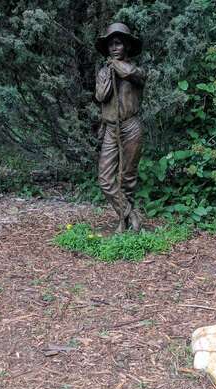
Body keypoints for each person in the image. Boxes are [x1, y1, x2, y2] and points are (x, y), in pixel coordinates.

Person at [95, 23, 146, 233]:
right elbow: (101, 96)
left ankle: (122, 222)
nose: (115, 48)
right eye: (111, 44)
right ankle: (129, 213)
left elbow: (134, 75)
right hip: (110, 128)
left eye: (119, 43)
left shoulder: (136, 71)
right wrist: (109, 74)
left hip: (130, 126)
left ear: (126, 46)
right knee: (106, 178)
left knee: (127, 176)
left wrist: (117, 66)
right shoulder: (104, 72)